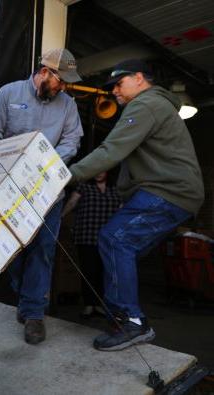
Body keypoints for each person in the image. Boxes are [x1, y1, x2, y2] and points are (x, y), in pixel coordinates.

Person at [69, 59, 204, 351]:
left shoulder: (146, 104)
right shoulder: (155, 107)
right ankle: (121, 318)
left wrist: (67, 175)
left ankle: (131, 321)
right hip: (171, 193)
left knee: (115, 240)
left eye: (119, 83)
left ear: (140, 78)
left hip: (168, 191)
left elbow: (112, 150)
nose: (114, 91)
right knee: (121, 249)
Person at [0, 48, 83, 344]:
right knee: (12, 248)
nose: (63, 87)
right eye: (60, 80)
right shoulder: (8, 94)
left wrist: (43, 163)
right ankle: (25, 294)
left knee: (42, 248)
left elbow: (72, 140)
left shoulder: (68, 106)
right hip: (10, 188)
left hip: (49, 189)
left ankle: (34, 312)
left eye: (65, 83)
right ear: (44, 72)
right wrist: (13, 167)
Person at [62, 171, 121, 319]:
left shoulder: (116, 189)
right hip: (86, 236)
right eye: (96, 170)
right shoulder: (84, 186)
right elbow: (72, 202)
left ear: (108, 171)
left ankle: (100, 304)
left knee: (104, 271)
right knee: (88, 271)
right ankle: (89, 304)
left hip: (107, 239)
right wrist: (60, 217)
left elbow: (122, 208)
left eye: (103, 170)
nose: (98, 173)